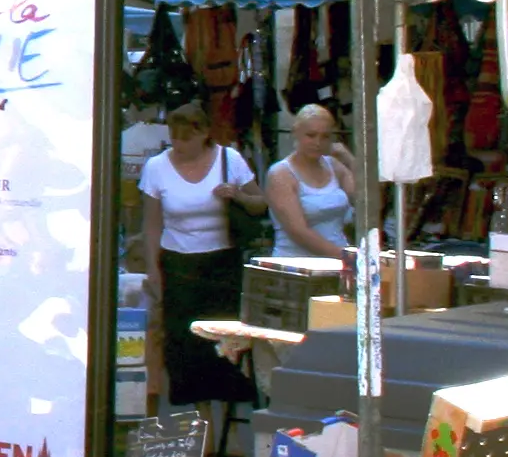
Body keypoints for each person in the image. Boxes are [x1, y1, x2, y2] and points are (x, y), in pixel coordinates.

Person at [140, 103, 266, 413]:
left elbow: (261, 203)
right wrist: (153, 269)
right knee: (185, 347)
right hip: (178, 263)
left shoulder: (229, 159)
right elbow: (152, 223)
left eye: (186, 139)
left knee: (222, 345)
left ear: (204, 134)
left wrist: (236, 194)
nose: (179, 146)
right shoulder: (157, 167)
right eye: (174, 139)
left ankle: (227, 424)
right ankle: (199, 422)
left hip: (222, 263)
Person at [265, 104, 357, 258]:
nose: (318, 142)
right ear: (296, 133)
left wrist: (350, 160)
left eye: (325, 136)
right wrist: (347, 256)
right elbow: (299, 232)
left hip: (339, 262)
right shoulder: (281, 174)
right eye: (311, 135)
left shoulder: (334, 165)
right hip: (298, 265)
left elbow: (367, 203)